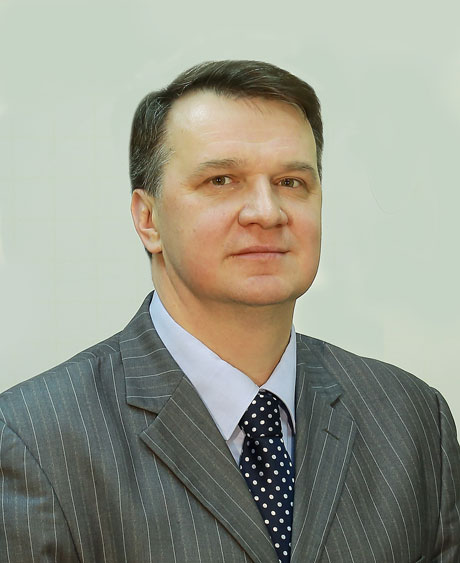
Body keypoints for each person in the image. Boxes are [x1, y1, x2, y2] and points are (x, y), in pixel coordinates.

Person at [0, 60, 459, 563]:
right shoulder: (36, 438)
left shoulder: (413, 422)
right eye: (222, 180)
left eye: (291, 182)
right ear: (148, 219)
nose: (266, 211)